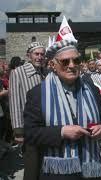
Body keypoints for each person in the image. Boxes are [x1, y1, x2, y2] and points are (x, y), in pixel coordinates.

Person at [24, 39, 101, 180]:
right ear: (52, 65)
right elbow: (30, 133)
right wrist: (61, 132)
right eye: (65, 62)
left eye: (76, 61)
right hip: (57, 173)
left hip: (91, 169)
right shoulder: (38, 94)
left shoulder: (91, 88)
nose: (71, 66)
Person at [9, 41, 46, 180]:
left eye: (42, 54)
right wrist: (18, 131)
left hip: (45, 127)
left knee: (44, 165)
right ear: (29, 55)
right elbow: (14, 103)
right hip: (29, 127)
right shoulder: (18, 72)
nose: (40, 57)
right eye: (36, 54)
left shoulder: (45, 72)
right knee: (31, 166)